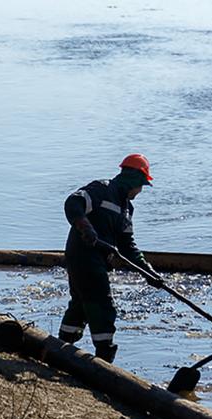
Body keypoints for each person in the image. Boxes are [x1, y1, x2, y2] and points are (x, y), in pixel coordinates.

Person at [58, 153, 164, 363]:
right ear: (133, 180)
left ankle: (61, 347)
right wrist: (85, 227)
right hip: (83, 255)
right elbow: (73, 203)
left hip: (98, 260)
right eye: (140, 185)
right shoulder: (101, 189)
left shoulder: (126, 209)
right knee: (102, 306)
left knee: (81, 303)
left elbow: (128, 246)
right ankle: (104, 357)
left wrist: (148, 272)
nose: (140, 191)